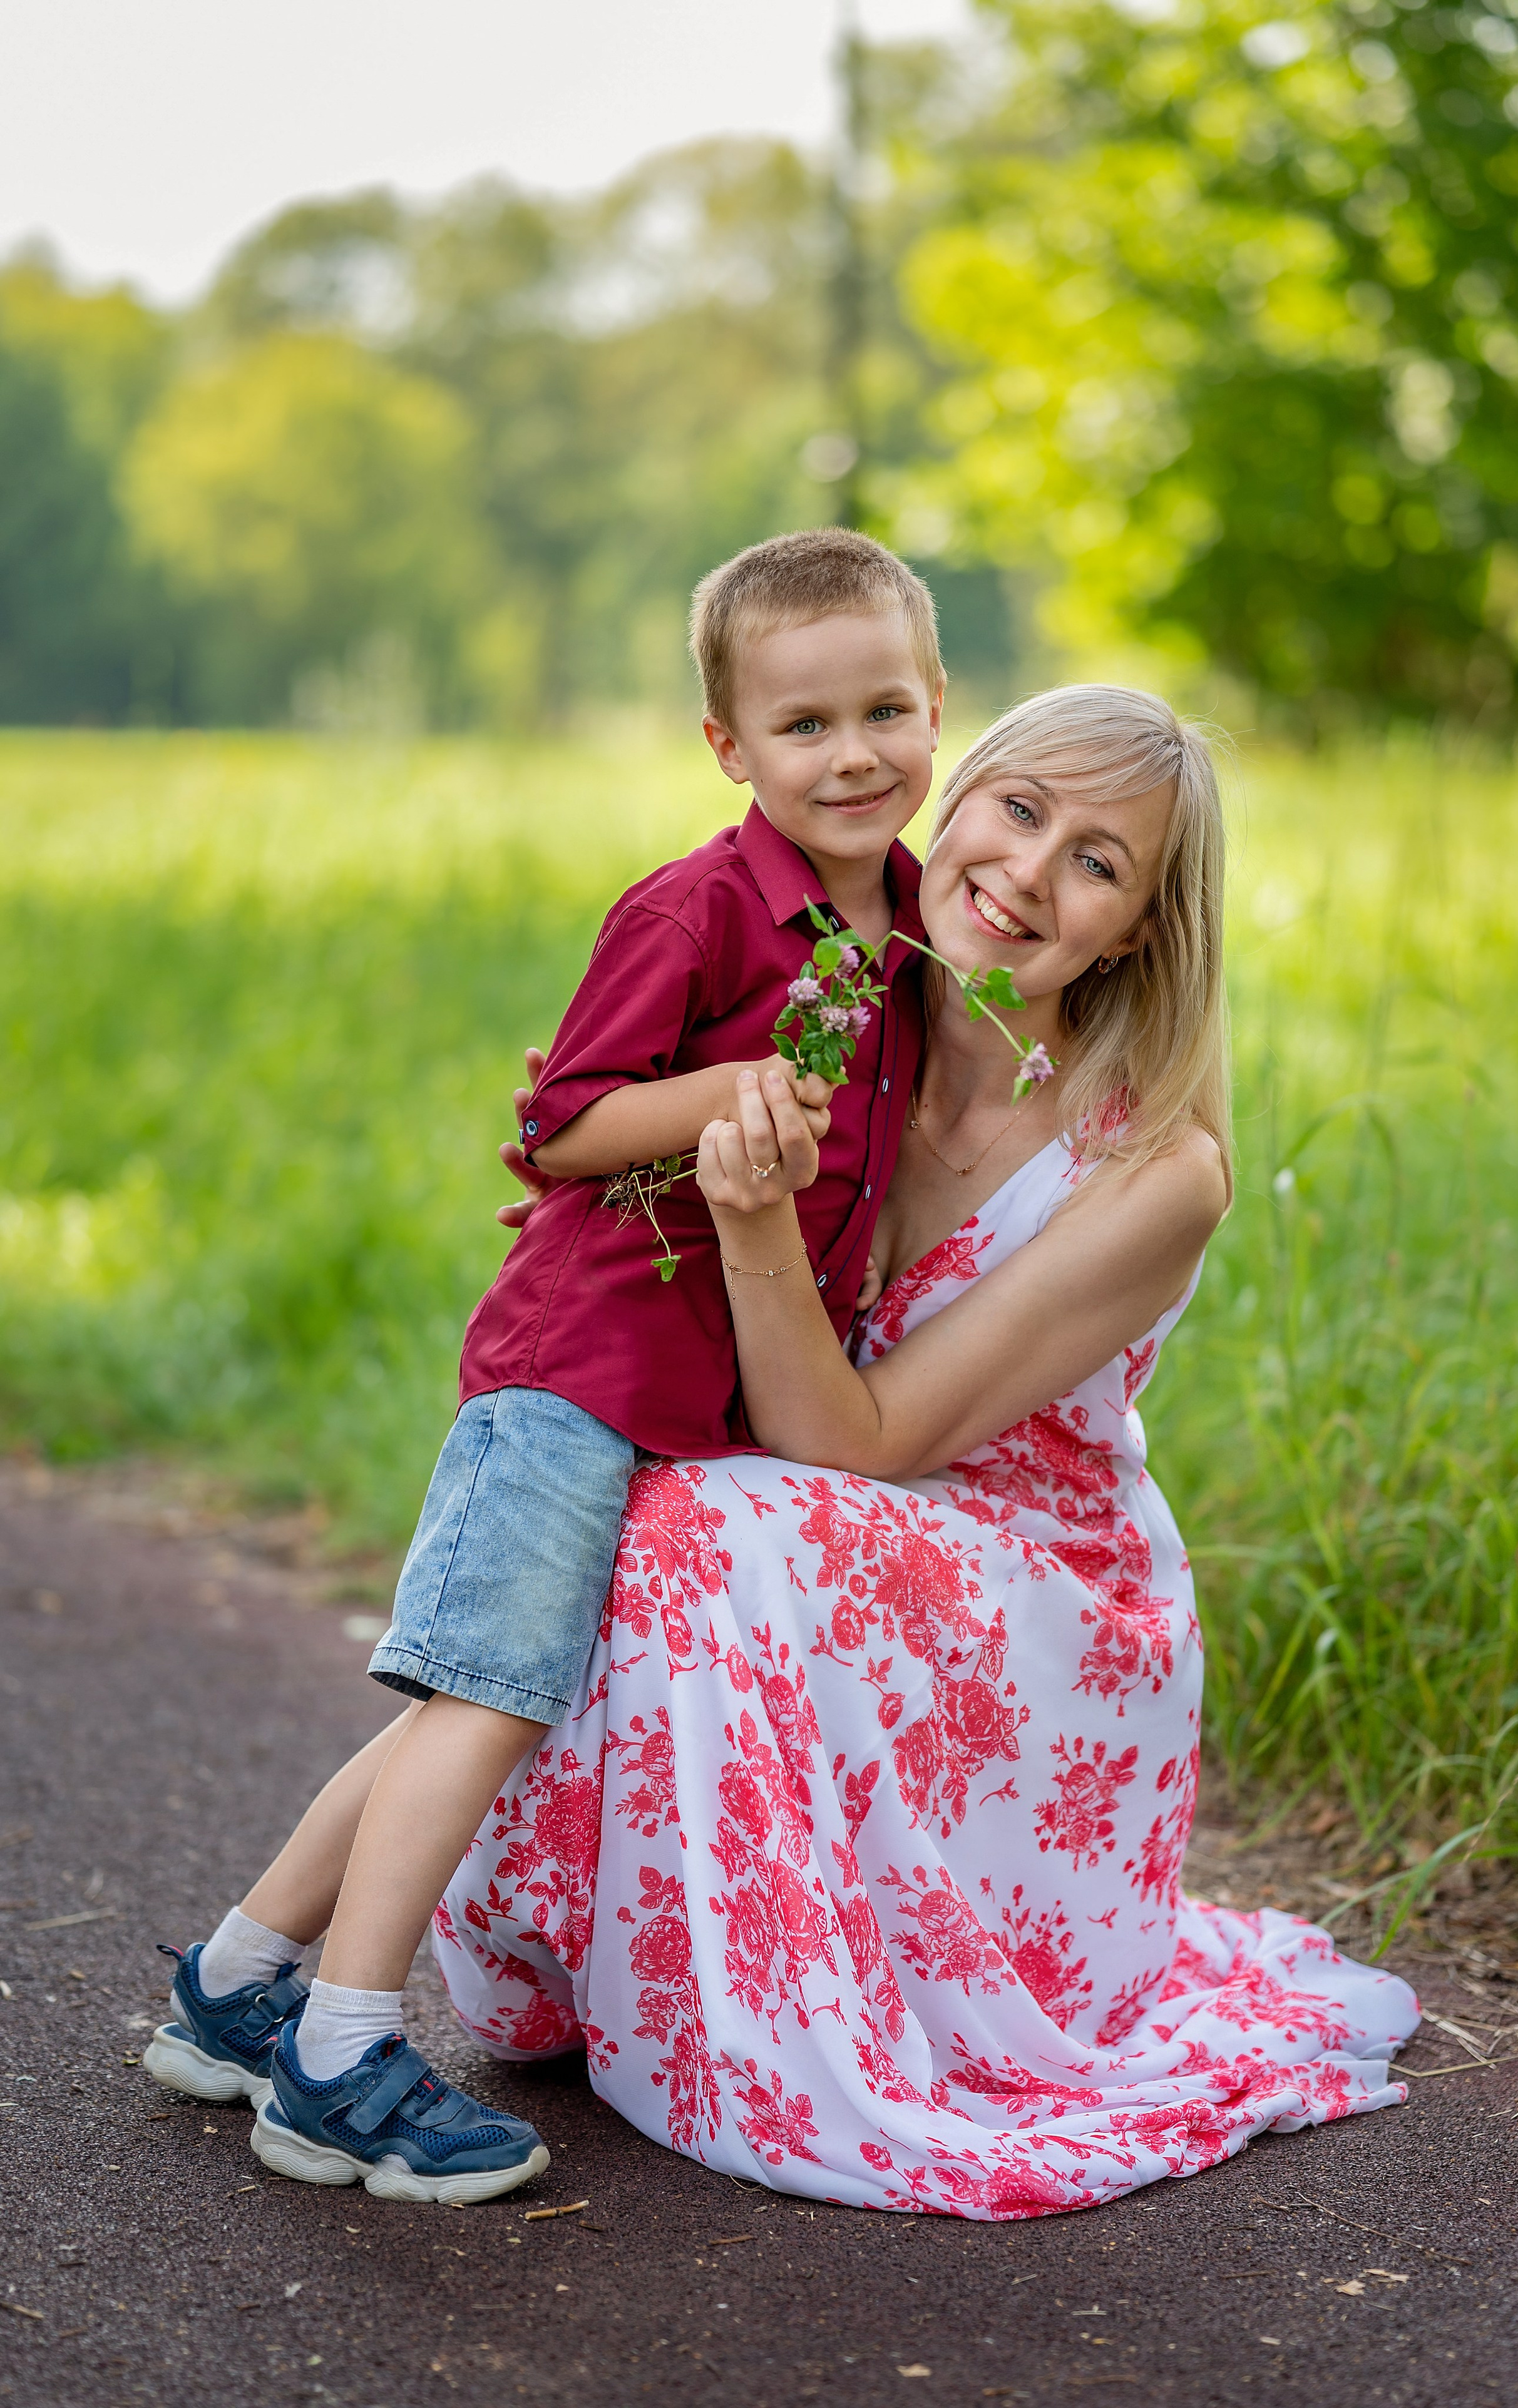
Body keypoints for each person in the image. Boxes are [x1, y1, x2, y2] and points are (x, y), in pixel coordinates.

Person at [437, 683, 1420, 2217]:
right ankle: (494, 1951)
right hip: (810, 1523)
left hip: (1031, 1597)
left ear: (1137, 933)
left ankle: (758, 2017)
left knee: (694, 1523)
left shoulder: (1154, 1168)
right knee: (587, 1477)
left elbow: (856, 1439)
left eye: (1096, 863)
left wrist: (748, 1217)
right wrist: (631, 1172)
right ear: (952, 804)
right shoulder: (839, 1017)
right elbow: (594, 1128)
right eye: (1018, 809)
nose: (1028, 872)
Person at [142, 527, 945, 2205]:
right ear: (728, 746)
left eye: (885, 710)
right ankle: (341, 2058)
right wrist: (732, 1096)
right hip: (580, 1367)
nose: (852, 755)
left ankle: (233, 1986)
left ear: (936, 704)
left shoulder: (917, 926)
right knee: (492, 1693)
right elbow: (564, 1120)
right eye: (803, 725)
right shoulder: (696, 909)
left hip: (699, 1398)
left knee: (477, 1694)